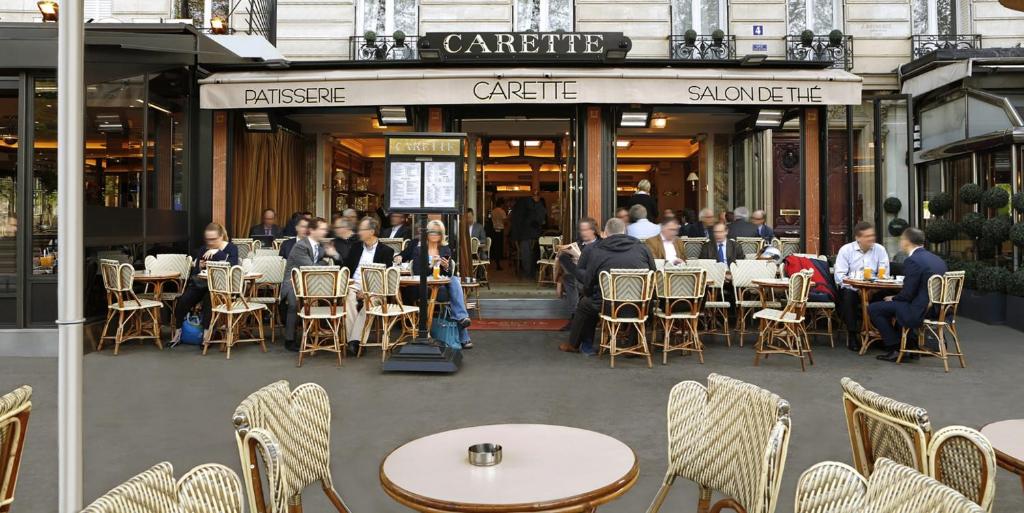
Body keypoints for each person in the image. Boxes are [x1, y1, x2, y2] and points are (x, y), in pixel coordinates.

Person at [560, 217, 656, 353]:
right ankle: (633, 345)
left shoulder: (597, 251)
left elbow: (588, 281)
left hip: (607, 305)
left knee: (584, 305)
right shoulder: (642, 248)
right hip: (639, 305)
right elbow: (653, 273)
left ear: (606, 233)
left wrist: (588, 293)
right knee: (646, 303)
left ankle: (573, 344)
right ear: (625, 231)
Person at [869, 228, 947, 362]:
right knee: (897, 306)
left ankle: (895, 348)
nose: (900, 243)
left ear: (906, 242)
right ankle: (909, 345)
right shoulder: (937, 259)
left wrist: (893, 298)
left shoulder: (913, 261)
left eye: (901, 240)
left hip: (920, 310)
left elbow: (907, 294)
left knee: (874, 308)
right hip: (939, 308)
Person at [397, 220, 474, 348]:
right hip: (423, 289)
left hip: (440, 288)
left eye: (438, 232)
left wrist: (446, 267)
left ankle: (461, 318)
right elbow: (417, 273)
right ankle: (463, 329)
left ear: (441, 235)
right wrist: (431, 265)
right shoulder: (419, 250)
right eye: (432, 231)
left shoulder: (445, 249)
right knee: (455, 295)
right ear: (427, 233)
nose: (434, 235)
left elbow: (447, 275)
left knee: (454, 280)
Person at [169, 223, 239, 345]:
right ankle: (178, 332)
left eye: (213, 239)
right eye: (208, 239)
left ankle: (207, 336)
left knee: (209, 301)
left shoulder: (231, 248)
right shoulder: (203, 249)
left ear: (221, 236)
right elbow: (195, 272)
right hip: (201, 284)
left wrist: (217, 252)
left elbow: (231, 266)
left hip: (219, 287)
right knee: (183, 301)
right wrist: (199, 266)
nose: (210, 242)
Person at [280, 217, 339, 351]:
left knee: (331, 296)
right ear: (312, 230)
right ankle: (289, 340)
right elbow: (312, 268)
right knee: (294, 303)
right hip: (293, 282)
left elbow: (337, 259)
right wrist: (324, 261)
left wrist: (333, 255)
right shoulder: (301, 245)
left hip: (309, 281)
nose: (325, 231)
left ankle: (320, 332)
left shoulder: (319, 245)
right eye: (322, 229)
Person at [342, 216, 397, 349]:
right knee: (348, 298)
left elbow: (384, 279)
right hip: (353, 285)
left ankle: (355, 341)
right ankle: (354, 341)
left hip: (375, 289)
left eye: (361, 229)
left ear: (371, 232)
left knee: (368, 304)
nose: (358, 232)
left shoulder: (386, 251)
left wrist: (367, 292)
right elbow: (346, 268)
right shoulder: (355, 248)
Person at [834, 221, 891, 351]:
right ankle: (853, 335)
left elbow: (884, 273)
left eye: (872, 235)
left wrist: (873, 289)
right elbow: (840, 277)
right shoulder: (846, 250)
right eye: (867, 236)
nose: (871, 238)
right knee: (848, 297)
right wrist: (857, 289)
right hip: (852, 289)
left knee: (886, 297)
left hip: (874, 288)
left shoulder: (880, 250)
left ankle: (882, 335)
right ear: (858, 238)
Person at [556, 217, 601, 321]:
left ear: (593, 230)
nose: (583, 233)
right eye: (581, 230)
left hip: (595, 278)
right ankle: (575, 315)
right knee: (563, 258)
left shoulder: (601, 244)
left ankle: (575, 316)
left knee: (571, 279)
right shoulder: (577, 244)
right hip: (578, 276)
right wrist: (559, 281)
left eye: (586, 230)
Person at [509, 194, 546, 278]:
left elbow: (516, 222)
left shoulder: (520, 208)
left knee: (526, 254)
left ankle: (528, 273)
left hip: (524, 235)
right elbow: (540, 220)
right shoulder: (534, 207)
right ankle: (531, 272)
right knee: (531, 254)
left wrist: (514, 237)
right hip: (534, 234)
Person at [490, 200, 508, 270]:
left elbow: (491, 220)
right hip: (500, 230)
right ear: (501, 204)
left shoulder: (493, 211)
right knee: (499, 246)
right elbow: (505, 221)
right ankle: (498, 261)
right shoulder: (502, 211)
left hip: (494, 230)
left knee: (495, 246)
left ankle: (495, 259)